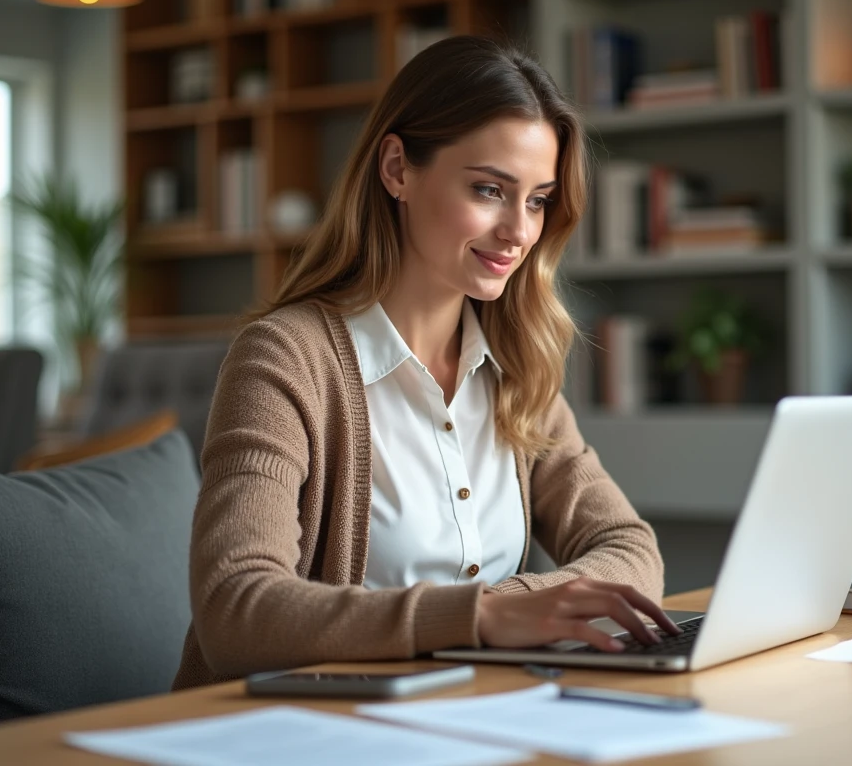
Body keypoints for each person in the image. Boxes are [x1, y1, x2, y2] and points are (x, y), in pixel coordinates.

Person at [172, 35, 678, 689]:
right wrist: (484, 616)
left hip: (470, 713)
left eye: (537, 199)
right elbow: (236, 613)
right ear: (397, 170)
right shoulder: (285, 359)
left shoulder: (513, 364)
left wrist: (522, 606)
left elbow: (633, 551)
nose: (520, 231)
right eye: (490, 190)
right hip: (298, 732)